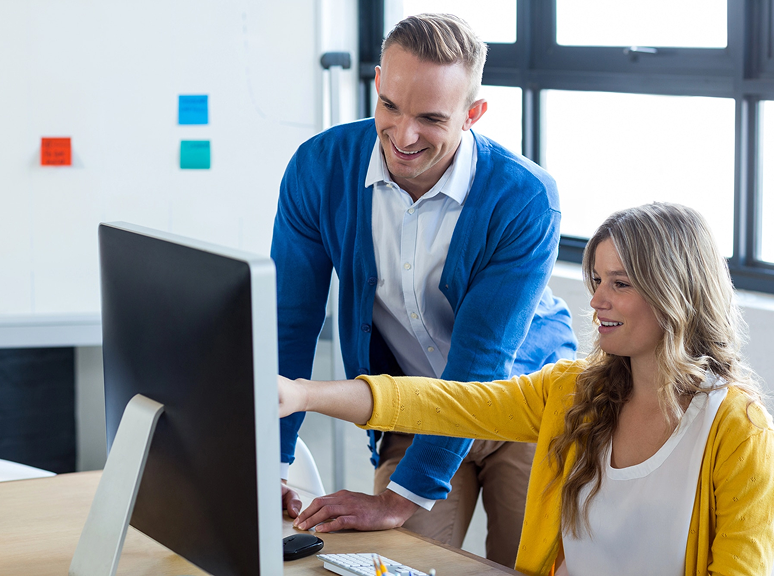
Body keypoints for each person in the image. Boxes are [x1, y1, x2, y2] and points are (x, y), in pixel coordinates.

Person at [278, 202, 774, 576]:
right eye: (596, 278)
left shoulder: (736, 429)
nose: (596, 299)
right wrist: (305, 395)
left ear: (676, 293)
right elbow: (445, 405)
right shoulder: (572, 392)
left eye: (620, 284)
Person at [270, 12, 576, 567]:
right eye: (390, 105)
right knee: (395, 562)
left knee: (529, 564)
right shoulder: (320, 168)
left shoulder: (525, 197)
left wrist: (394, 501)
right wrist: (272, 468)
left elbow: (480, 366)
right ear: (379, 82)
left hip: (526, 410)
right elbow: (287, 325)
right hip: (417, 410)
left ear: (472, 113)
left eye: (432, 118)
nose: (404, 135)